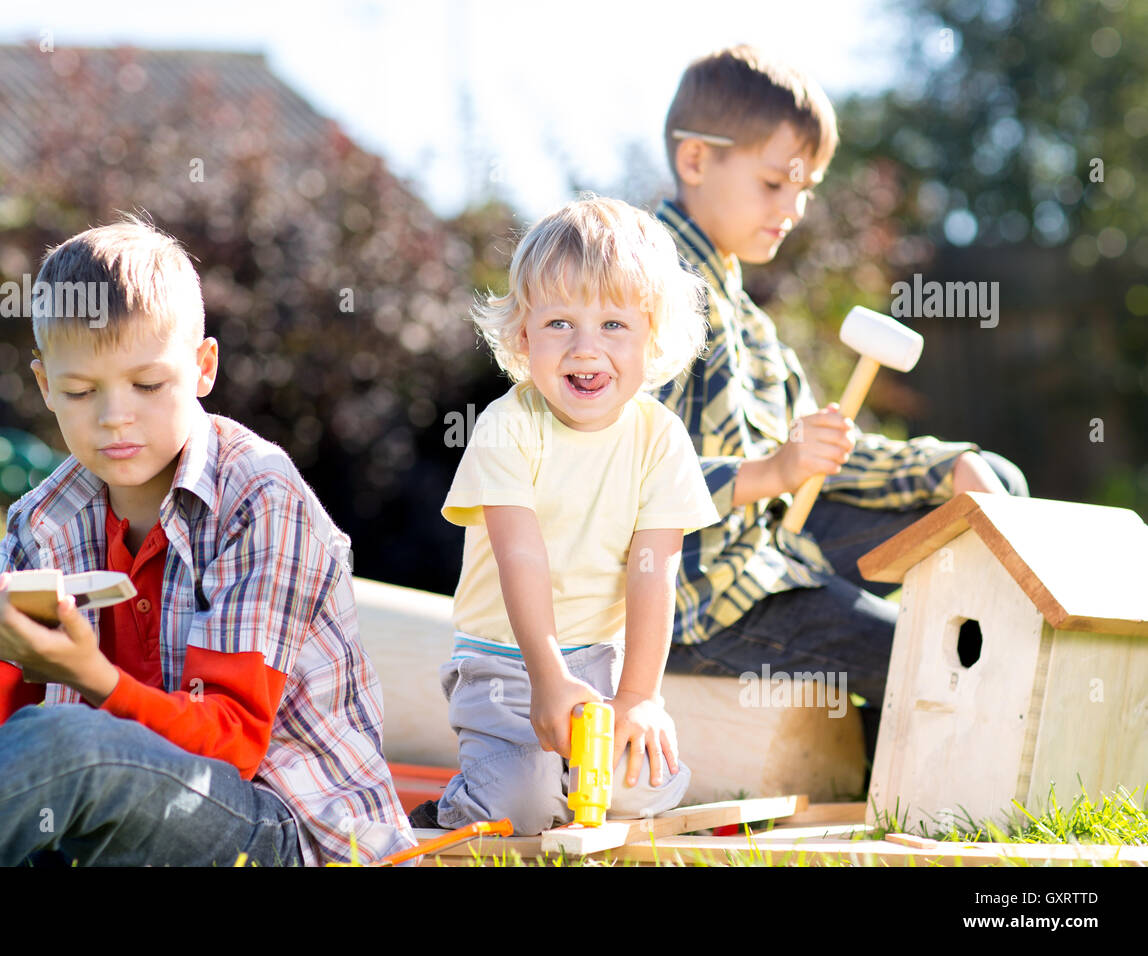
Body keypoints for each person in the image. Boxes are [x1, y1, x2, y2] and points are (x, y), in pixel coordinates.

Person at [0, 216, 414, 866]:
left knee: (65, 741)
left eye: (147, 385)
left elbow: (228, 749)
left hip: (279, 828)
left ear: (202, 367)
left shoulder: (259, 497)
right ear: (44, 387)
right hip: (96, 807)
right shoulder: (45, 521)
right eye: (81, 391)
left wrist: (88, 676)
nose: (116, 416)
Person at [653, 45, 1029, 764]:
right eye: (774, 183)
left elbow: (821, 460)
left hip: (771, 551)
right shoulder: (650, 297)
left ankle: (990, 715)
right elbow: (624, 481)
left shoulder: (747, 321)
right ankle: (916, 768)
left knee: (992, 490)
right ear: (696, 160)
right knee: (921, 659)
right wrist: (767, 471)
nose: (794, 209)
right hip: (702, 603)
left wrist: (944, 469)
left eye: (807, 189)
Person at [413, 197, 720, 835]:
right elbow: (520, 555)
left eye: (614, 325)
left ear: (652, 339)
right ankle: (458, 804)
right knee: (523, 813)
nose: (586, 348)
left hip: (601, 665)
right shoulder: (507, 426)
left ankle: (565, 772)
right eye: (559, 323)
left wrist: (637, 696)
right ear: (523, 337)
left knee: (634, 797)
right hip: (506, 662)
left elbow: (653, 571)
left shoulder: (659, 437)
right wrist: (548, 679)